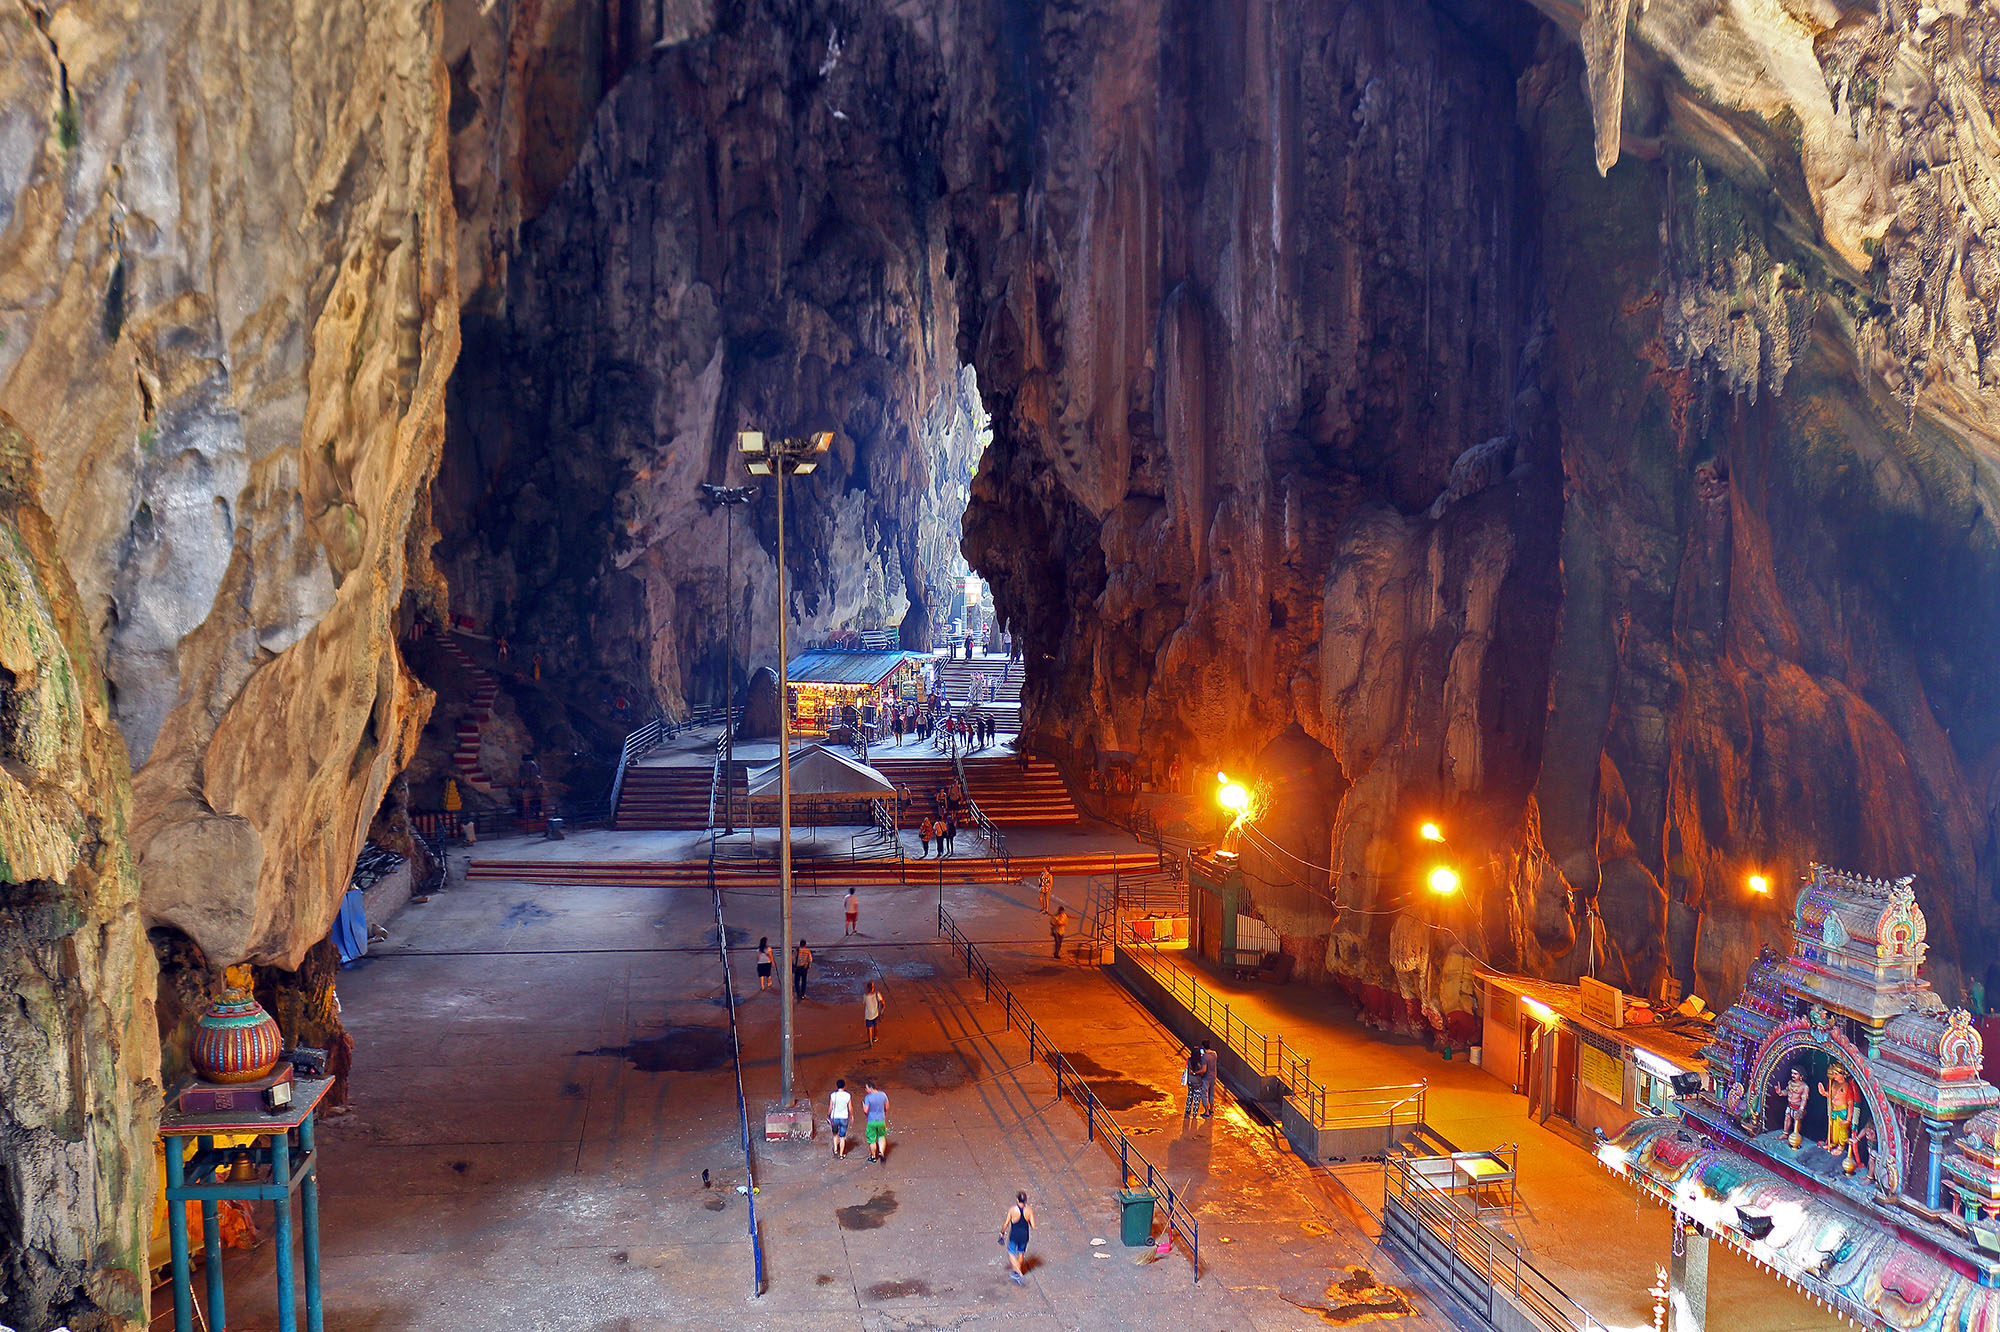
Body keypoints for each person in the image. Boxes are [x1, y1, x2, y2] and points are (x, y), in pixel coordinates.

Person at [1000, 1191, 1035, 1284]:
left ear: (1017, 1199)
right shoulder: (1029, 1210)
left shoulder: (1012, 1210)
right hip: (1024, 1235)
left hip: (1015, 1235)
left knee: (1011, 1253)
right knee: (1021, 1253)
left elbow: (1006, 1223)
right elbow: (1034, 1226)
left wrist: (1002, 1232)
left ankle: (1018, 1273)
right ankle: (1016, 1272)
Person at [863, 1080, 889, 1162]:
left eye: (866, 1088)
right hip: (881, 1120)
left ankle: (874, 1157)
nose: (865, 1090)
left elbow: (866, 1111)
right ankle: (881, 1152)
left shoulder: (868, 1097)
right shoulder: (883, 1094)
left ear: (871, 1088)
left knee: (872, 1140)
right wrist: (884, 1112)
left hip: (871, 1121)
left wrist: (863, 1106)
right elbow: (887, 1106)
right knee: (881, 1136)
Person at [1181, 1047, 1205, 1127]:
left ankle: (1187, 1111)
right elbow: (1202, 1072)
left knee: (1190, 1096)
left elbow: (1186, 1067)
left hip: (1190, 1081)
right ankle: (1194, 1113)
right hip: (1198, 1082)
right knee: (1196, 1098)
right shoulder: (1200, 1062)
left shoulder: (1189, 1060)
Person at [829, 1079, 853, 1157]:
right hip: (844, 1118)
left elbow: (830, 1107)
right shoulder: (847, 1095)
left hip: (835, 1117)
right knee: (842, 1137)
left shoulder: (833, 1095)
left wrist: (828, 1115)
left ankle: (835, 1150)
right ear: (844, 1086)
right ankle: (841, 1154)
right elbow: (850, 1108)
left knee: (835, 1134)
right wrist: (851, 1115)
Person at [862, 981, 886, 1045]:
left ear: (867, 988)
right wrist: (881, 1011)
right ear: (872, 988)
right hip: (875, 1014)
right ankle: (875, 1037)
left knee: (869, 1028)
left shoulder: (865, 996)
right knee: (875, 1026)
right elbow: (883, 1002)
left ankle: (870, 1041)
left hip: (868, 1015)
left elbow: (864, 1003)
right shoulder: (877, 994)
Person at [1200, 1042, 1219, 1118]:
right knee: (1211, 1093)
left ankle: (1206, 1112)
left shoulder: (1204, 1057)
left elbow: (1204, 1070)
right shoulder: (1214, 1054)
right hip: (1213, 1076)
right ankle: (1211, 1109)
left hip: (1206, 1078)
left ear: (1203, 1047)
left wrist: (1196, 1073)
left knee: (1204, 1094)